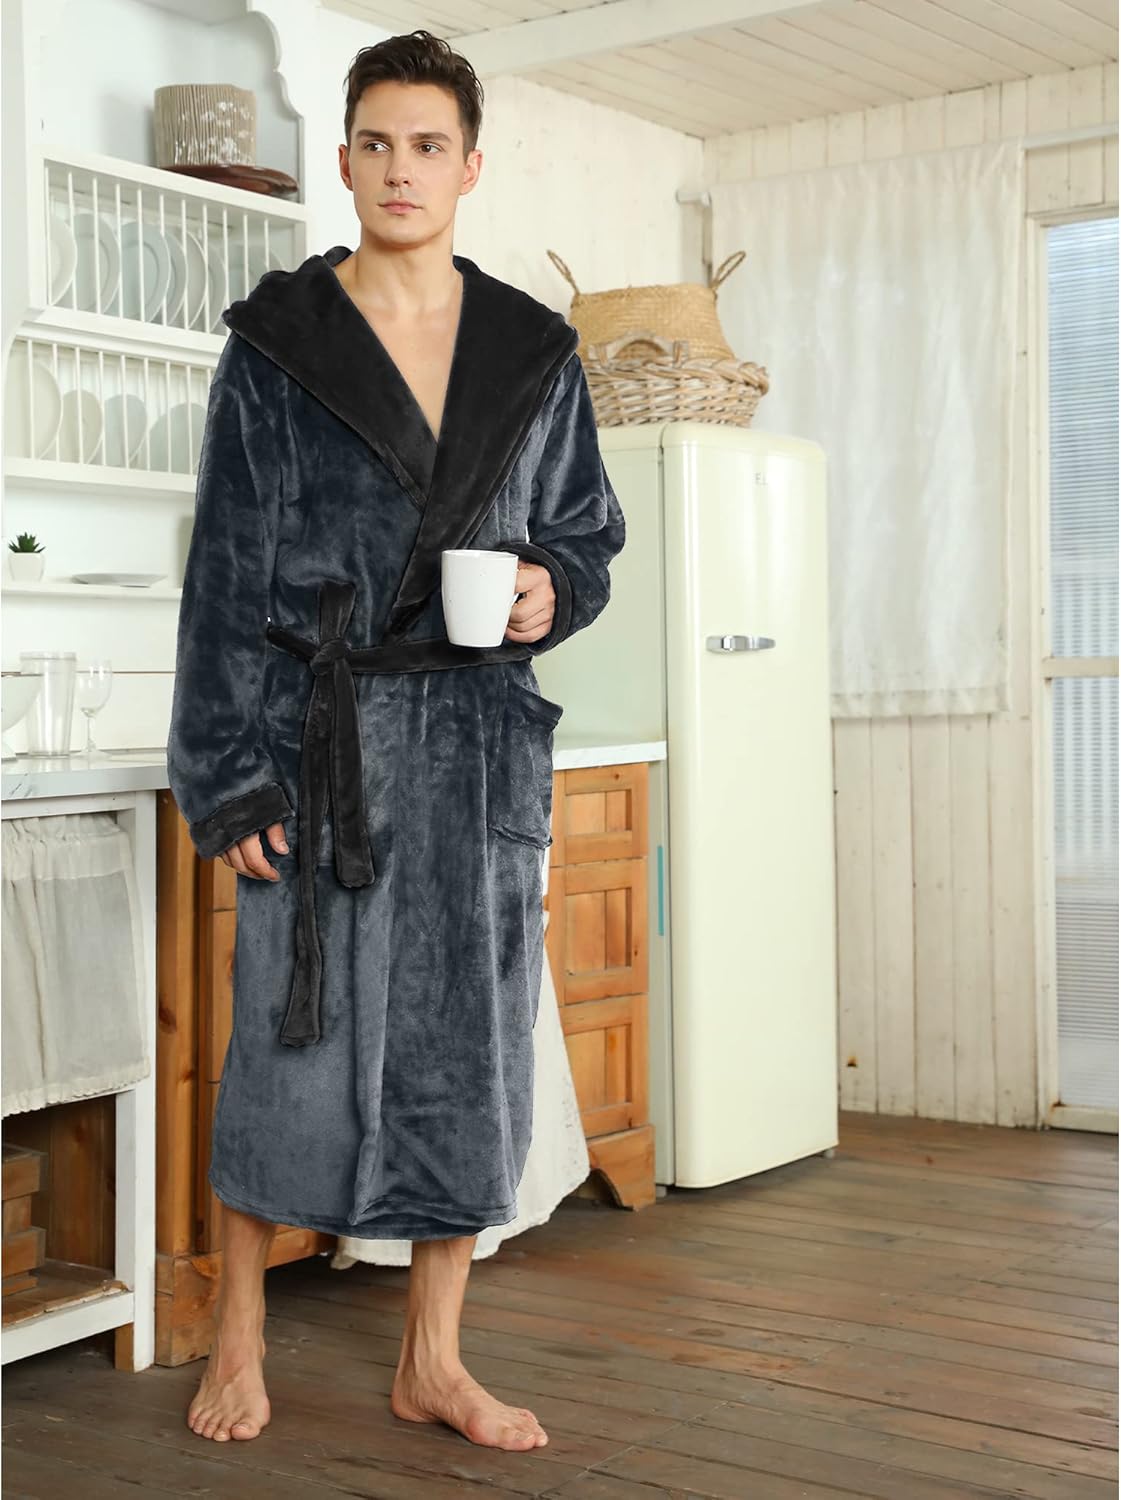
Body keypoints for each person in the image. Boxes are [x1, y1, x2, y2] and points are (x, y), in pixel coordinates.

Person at [165, 30, 624, 1456]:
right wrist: (226, 776)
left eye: (428, 145)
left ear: (469, 167)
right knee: (283, 1041)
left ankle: (433, 1357)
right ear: (345, 159)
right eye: (376, 143)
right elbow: (223, 577)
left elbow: (585, 536)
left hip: (475, 747)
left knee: (460, 1053)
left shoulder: (533, 352)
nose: (400, 169)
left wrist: (552, 588)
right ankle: (240, 1336)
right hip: (319, 745)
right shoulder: (279, 345)